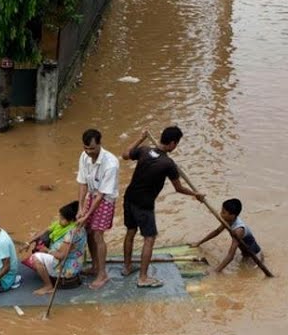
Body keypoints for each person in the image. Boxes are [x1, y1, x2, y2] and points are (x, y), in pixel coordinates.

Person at [121, 126, 204, 288]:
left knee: (130, 232)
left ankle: (127, 267)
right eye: (177, 144)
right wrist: (196, 194)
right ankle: (143, 278)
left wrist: (141, 138)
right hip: (144, 205)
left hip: (129, 198)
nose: (176, 146)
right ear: (172, 143)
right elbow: (178, 188)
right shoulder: (168, 164)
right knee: (149, 238)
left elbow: (125, 155)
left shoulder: (144, 151)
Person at [73, 128, 120, 289]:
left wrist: (87, 215)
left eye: (92, 148)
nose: (88, 151)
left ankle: (102, 273)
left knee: (98, 234)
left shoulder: (111, 163)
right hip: (91, 195)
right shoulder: (84, 156)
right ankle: (94, 266)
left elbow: (101, 195)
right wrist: (80, 207)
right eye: (86, 148)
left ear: (100, 144)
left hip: (105, 199)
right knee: (88, 232)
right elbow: (82, 182)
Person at [25, 201, 88, 295]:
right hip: (76, 262)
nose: (59, 220)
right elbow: (45, 230)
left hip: (67, 267)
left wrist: (47, 251)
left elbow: (61, 256)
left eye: (62, 219)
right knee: (43, 239)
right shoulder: (79, 227)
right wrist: (29, 242)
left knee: (35, 258)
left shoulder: (71, 234)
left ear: (71, 220)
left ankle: (48, 286)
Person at [191, 198, 264, 273]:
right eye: (221, 211)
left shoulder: (239, 230)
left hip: (254, 257)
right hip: (245, 254)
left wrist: (216, 270)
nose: (220, 214)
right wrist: (199, 243)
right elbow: (217, 231)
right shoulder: (228, 221)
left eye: (223, 212)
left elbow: (231, 255)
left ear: (232, 215)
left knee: (245, 274)